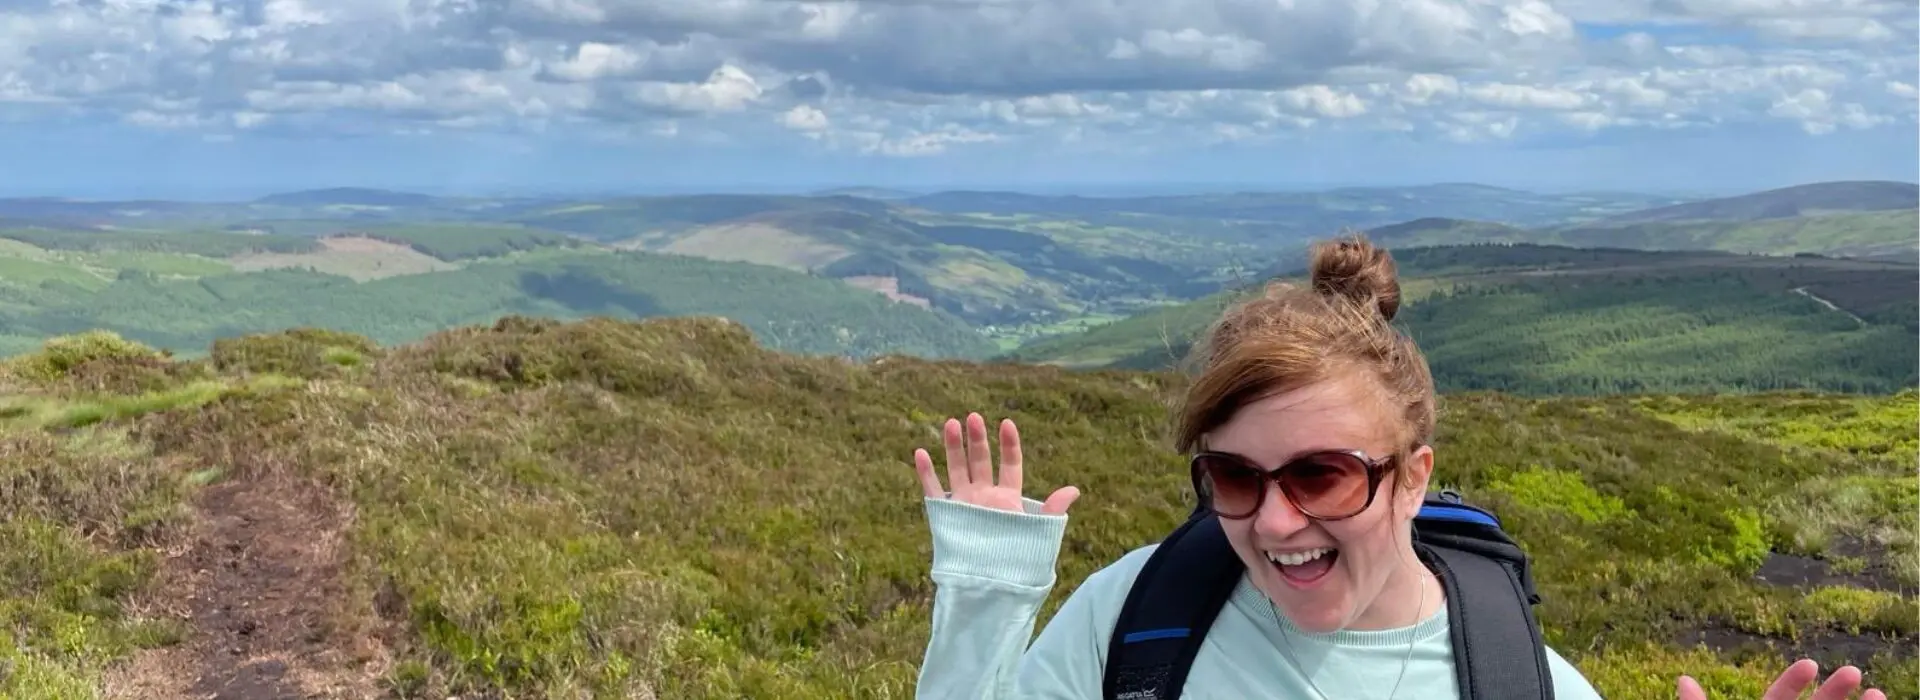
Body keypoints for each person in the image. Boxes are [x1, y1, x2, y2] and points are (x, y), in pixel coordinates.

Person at [906, 233, 1889, 700]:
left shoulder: (1524, 686)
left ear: (1415, 476)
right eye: (1235, 479)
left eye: (1323, 476)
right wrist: (987, 596)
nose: (1275, 522)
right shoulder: (1141, 614)